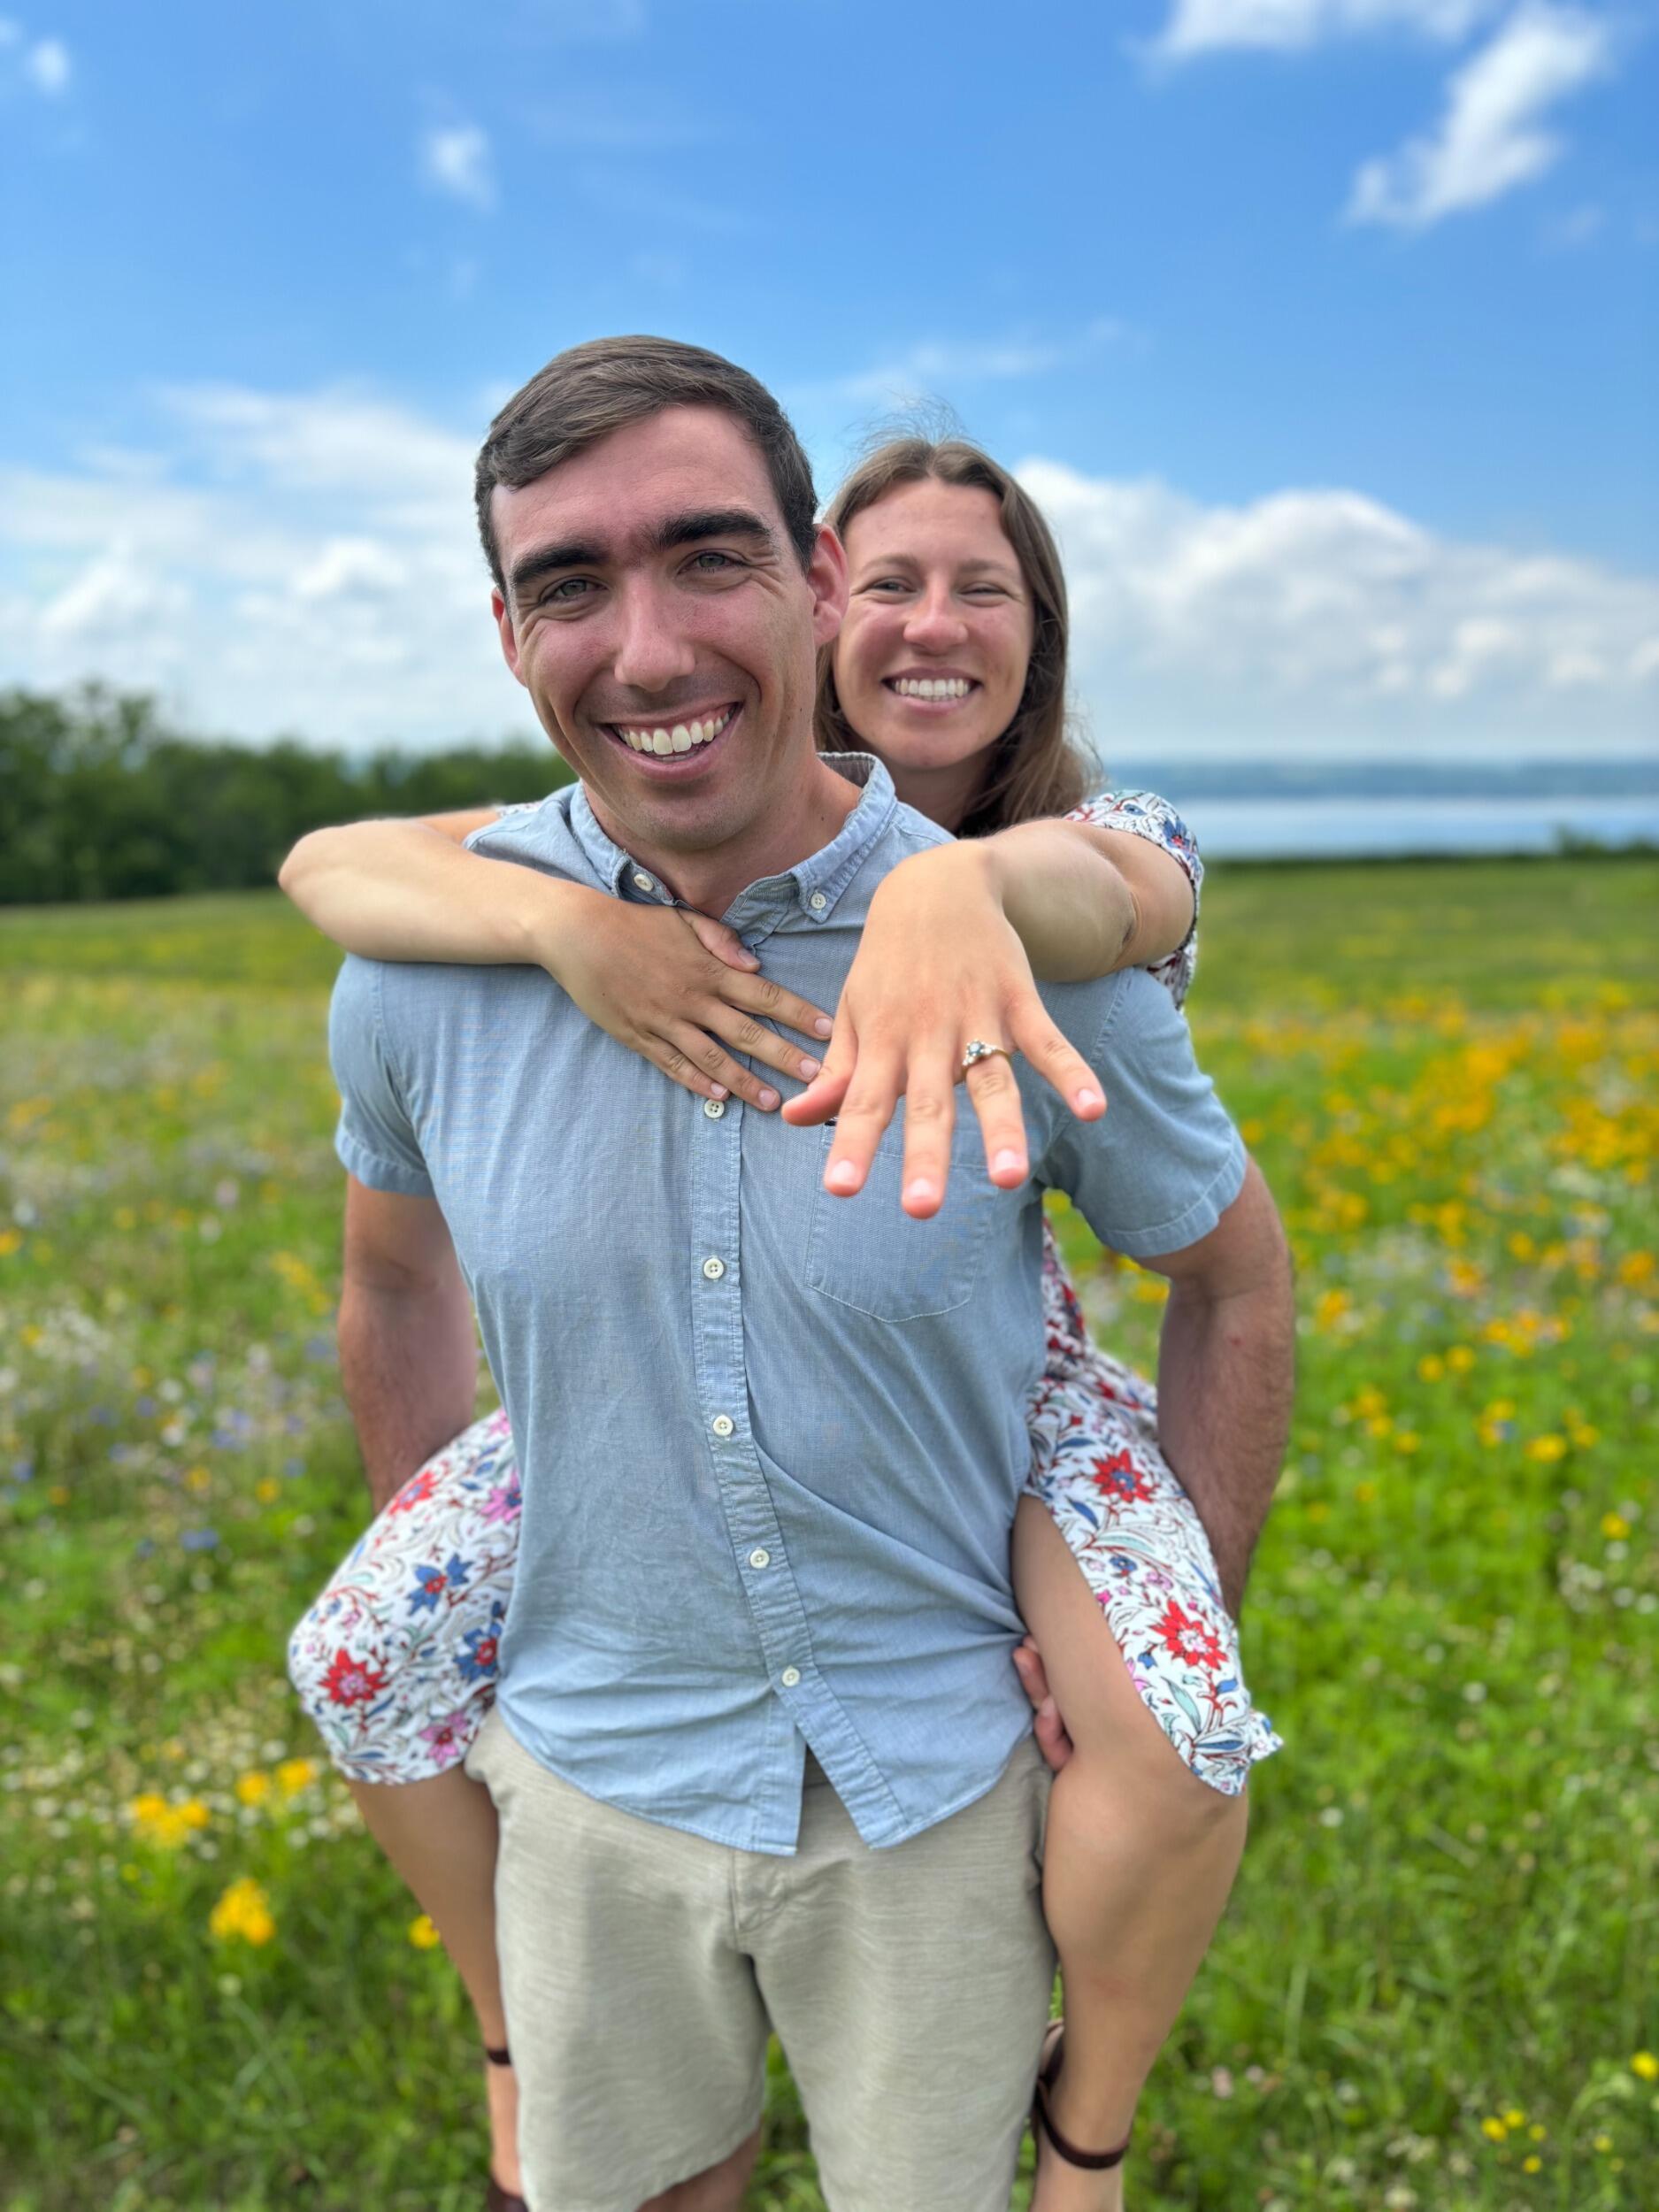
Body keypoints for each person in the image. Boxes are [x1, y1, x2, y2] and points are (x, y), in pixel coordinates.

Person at [288, 337, 1294, 2212]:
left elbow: (1231, 1280)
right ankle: (518, 2037)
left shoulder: (1033, 918)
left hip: (935, 1785)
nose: (648, 647)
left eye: (707, 557)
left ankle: (1089, 2131)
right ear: (503, 627)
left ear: (806, 576)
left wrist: (1165, 1622)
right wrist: (497, 1648)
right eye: (570, 584)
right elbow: (391, 1288)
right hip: (589, 1780)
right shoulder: (432, 962)